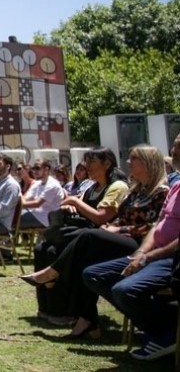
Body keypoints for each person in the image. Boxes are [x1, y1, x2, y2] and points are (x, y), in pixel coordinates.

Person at [19, 145, 168, 338]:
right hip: (114, 238)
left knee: (87, 235)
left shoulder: (161, 192)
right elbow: (118, 217)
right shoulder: (136, 190)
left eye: (134, 159)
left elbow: (153, 228)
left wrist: (116, 228)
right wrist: (111, 226)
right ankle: (87, 320)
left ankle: (53, 272)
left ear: (148, 163)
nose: (128, 162)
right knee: (81, 259)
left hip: (139, 245)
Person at [81, 136, 180, 360]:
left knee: (123, 290)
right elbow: (158, 227)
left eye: (177, 147)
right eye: (174, 146)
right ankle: (161, 329)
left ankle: (165, 333)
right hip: (148, 251)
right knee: (92, 274)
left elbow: (149, 228)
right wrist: (141, 253)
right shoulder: (175, 188)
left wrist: (146, 256)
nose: (173, 151)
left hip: (170, 257)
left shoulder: (163, 189)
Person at [31, 147, 129, 324]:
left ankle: (65, 311)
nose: (87, 166)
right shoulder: (92, 187)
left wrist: (75, 201)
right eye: (86, 161)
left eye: (92, 162)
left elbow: (101, 217)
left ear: (106, 164)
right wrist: (71, 206)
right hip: (82, 233)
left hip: (100, 239)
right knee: (41, 249)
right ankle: (47, 308)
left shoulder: (117, 187)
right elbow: (75, 206)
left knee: (55, 251)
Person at [19, 159, 65, 229]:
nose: (35, 171)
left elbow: (37, 204)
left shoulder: (52, 185)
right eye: (33, 169)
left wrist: (17, 205)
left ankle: (6, 238)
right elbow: (25, 198)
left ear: (46, 169)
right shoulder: (37, 183)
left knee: (13, 218)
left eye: (37, 168)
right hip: (35, 214)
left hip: (46, 219)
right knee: (12, 216)